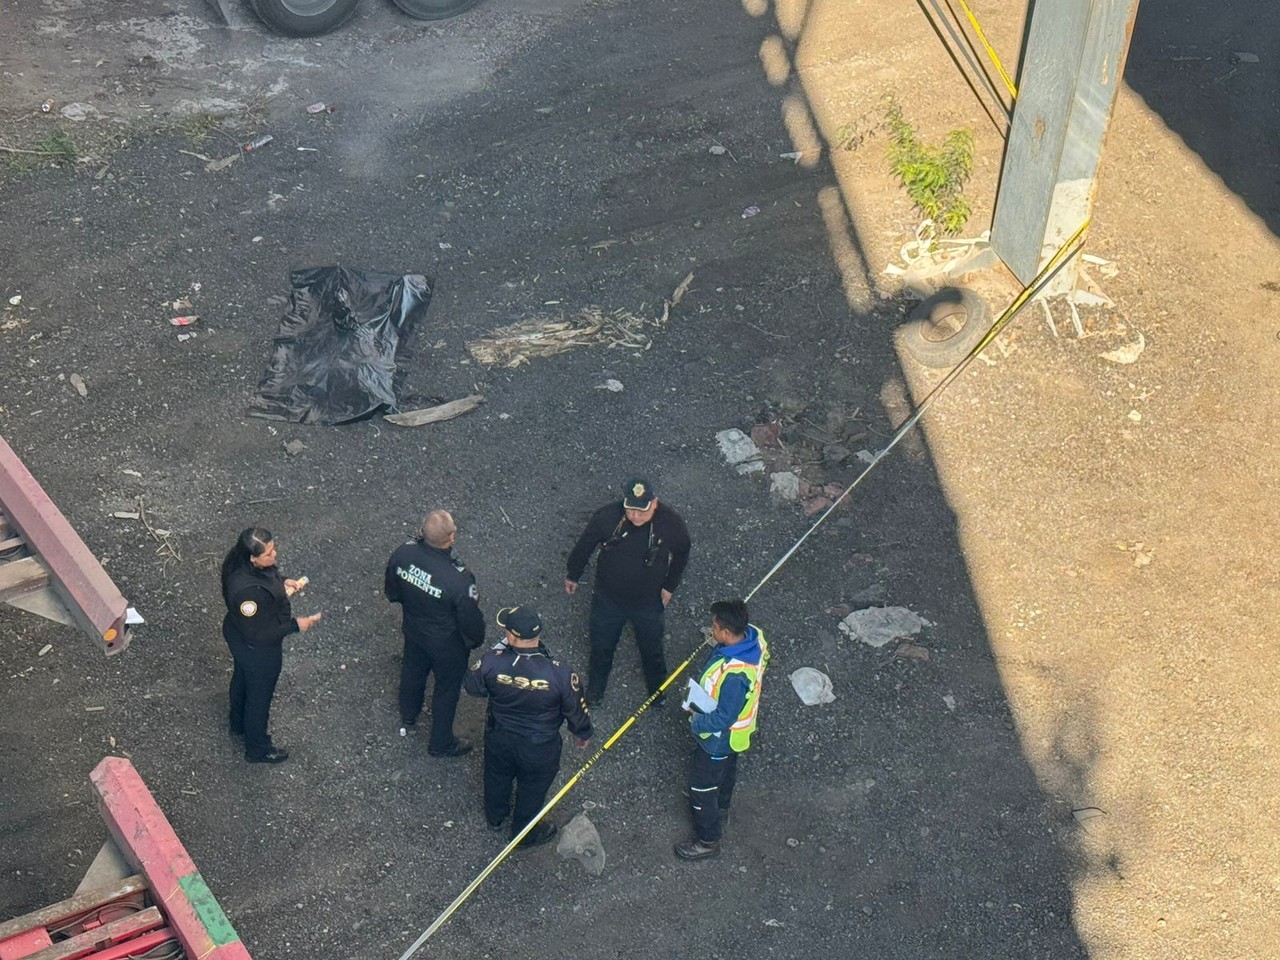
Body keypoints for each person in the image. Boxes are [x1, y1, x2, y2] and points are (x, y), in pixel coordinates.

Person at [464, 606, 592, 847]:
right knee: (533, 790)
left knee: (496, 776)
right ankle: (523, 835)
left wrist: (498, 650)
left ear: (512, 636)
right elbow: (576, 708)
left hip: (500, 737)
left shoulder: (492, 662)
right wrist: (582, 732)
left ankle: (495, 817)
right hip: (540, 746)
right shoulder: (561, 673)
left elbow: (472, 686)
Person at [564, 478, 691, 705]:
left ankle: (657, 690)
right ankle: (596, 689)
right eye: (630, 509)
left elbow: (682, 552)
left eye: (641, 511)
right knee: (601, 646)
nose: (635, 516)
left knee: (652, 647)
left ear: (654, 503)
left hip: (649, 602)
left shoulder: (671, 524)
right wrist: (573, 574)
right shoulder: (606, 517)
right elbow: (586, 545)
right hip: (607, 599)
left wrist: (669, 586)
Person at [385, 509, 485, 756]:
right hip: (447, 644)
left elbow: (393, 591)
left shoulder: (403, 553)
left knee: (412, 670)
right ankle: (441, 743)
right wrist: (473, 641)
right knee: (447, 690)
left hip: (415, 630)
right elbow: (470, 619)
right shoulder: (459, 579)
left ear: (422, 531)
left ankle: (409, 714)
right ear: (450, 538)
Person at [675, 598, 769, 861]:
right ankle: (722, 808)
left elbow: (724, 717)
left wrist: (697, 721)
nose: (711, 631)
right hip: (734, 739)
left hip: (719, 739)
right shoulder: (755, 638)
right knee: (726, 773)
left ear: (727, 632)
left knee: (701, 787)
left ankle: (708, 839)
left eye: (714, 627)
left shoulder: (735, 675)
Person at [220, 527, 322, 764]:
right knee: (259, 696)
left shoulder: (238, 562)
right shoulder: (248, 594)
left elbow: (266, 576)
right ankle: (257, 748)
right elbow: (258, 634)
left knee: (242, 678)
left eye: (273, 548)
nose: (274, 555)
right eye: (268, 554)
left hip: (237, 635)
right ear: (252, 558)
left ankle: (237, 723)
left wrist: (281, 580)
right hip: (257, 650)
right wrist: (295, 625)